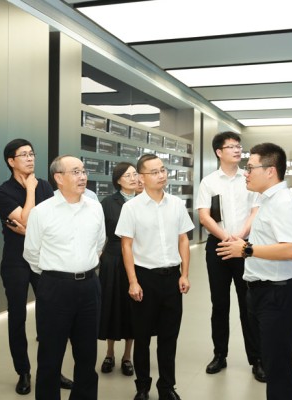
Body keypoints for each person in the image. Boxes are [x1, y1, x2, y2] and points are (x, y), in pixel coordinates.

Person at [217, 142, 292, 400]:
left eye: (250, 168)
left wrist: (246, 249)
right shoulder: (267, 201)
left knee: (278, 370)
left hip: (277, 295)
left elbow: (290, 249)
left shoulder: (284, 203)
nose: (246, 173)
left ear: (270, 171)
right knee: (271, 362)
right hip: (260, 291)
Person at [0, 139, 72, 395]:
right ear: (11, 161)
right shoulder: (3, 191)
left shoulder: (46, 186)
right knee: (17, 316)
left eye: (32, 153)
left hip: (44, 259)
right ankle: (24, 372)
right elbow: (29, 219)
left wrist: (28, 229)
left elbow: (53, 222)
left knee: (50, 316)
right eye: (23, 155)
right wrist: (30, 190)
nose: (30, 158)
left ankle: (51, 371)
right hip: (15, 261)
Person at [23, 155, 105, 400]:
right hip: (55, 288)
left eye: (83, 171)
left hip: (90, 287)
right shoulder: (42, 212)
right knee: (50, 355)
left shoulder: (95, 207)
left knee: (87, 355)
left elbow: (99, 244)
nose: (83, 177)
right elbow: (32, 253)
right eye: (75, 172)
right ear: (58, 178)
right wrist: (57, 274)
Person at [115, 154, 194, 400]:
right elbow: (126, 246)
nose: (161, 175)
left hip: (171, 278)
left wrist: (185, 274)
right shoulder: (131, 208)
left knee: (169, 337)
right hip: (144, 278)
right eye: (154, 172)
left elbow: (183, 239)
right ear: (142, 177)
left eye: (163, 170)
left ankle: (167, 386)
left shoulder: (176, 204)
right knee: (142, 337)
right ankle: (142, 386)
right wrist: (133, 281)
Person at [195, 132, 265, 381]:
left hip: (245, 246)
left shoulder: (249, 178)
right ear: (219, 152)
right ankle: (219, 355)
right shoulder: (209, 182)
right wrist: (227, 237)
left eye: (239, 146)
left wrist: (240, 237)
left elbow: (256, 210)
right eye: (231, 146)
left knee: (249, 304)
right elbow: (204, 216)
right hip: (218, 247)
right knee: (219, 304)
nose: (237, 150)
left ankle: (257, 359)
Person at [98, 162, 137, 376]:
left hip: (138, 258)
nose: (133, 178)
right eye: (127, 175)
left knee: (133, 307)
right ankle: (110, 353)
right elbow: (98, 231)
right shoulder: (107, 202)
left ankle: (127, 356)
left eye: (135, 174)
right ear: (118, 180)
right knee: (111, 305)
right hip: (113, 259)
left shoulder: (143, 201)